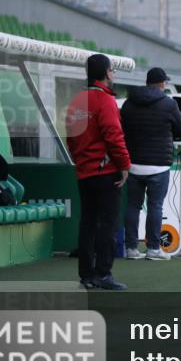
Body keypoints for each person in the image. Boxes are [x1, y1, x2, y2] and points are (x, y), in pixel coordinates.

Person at [65, 54, 131, 290]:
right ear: (106, 72)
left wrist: (81, 160)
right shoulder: (106, 100)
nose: (113, 73)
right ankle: (103, 274)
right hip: (106, 172)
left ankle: (86, 276)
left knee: (88, 224)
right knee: (108, 224)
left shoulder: (76, 101)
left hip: (85, 172)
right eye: (112, 69)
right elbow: (114, 136)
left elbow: (71, 137)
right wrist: (124, 165)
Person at [120, 67, 181, 261]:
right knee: (155, 206)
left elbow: (122, 127)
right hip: (158, 165)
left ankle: (131, 249)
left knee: (133, 206)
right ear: (162, 83)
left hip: (133, 164)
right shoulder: (168, 103)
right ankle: (153, 249)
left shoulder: (129, 103)